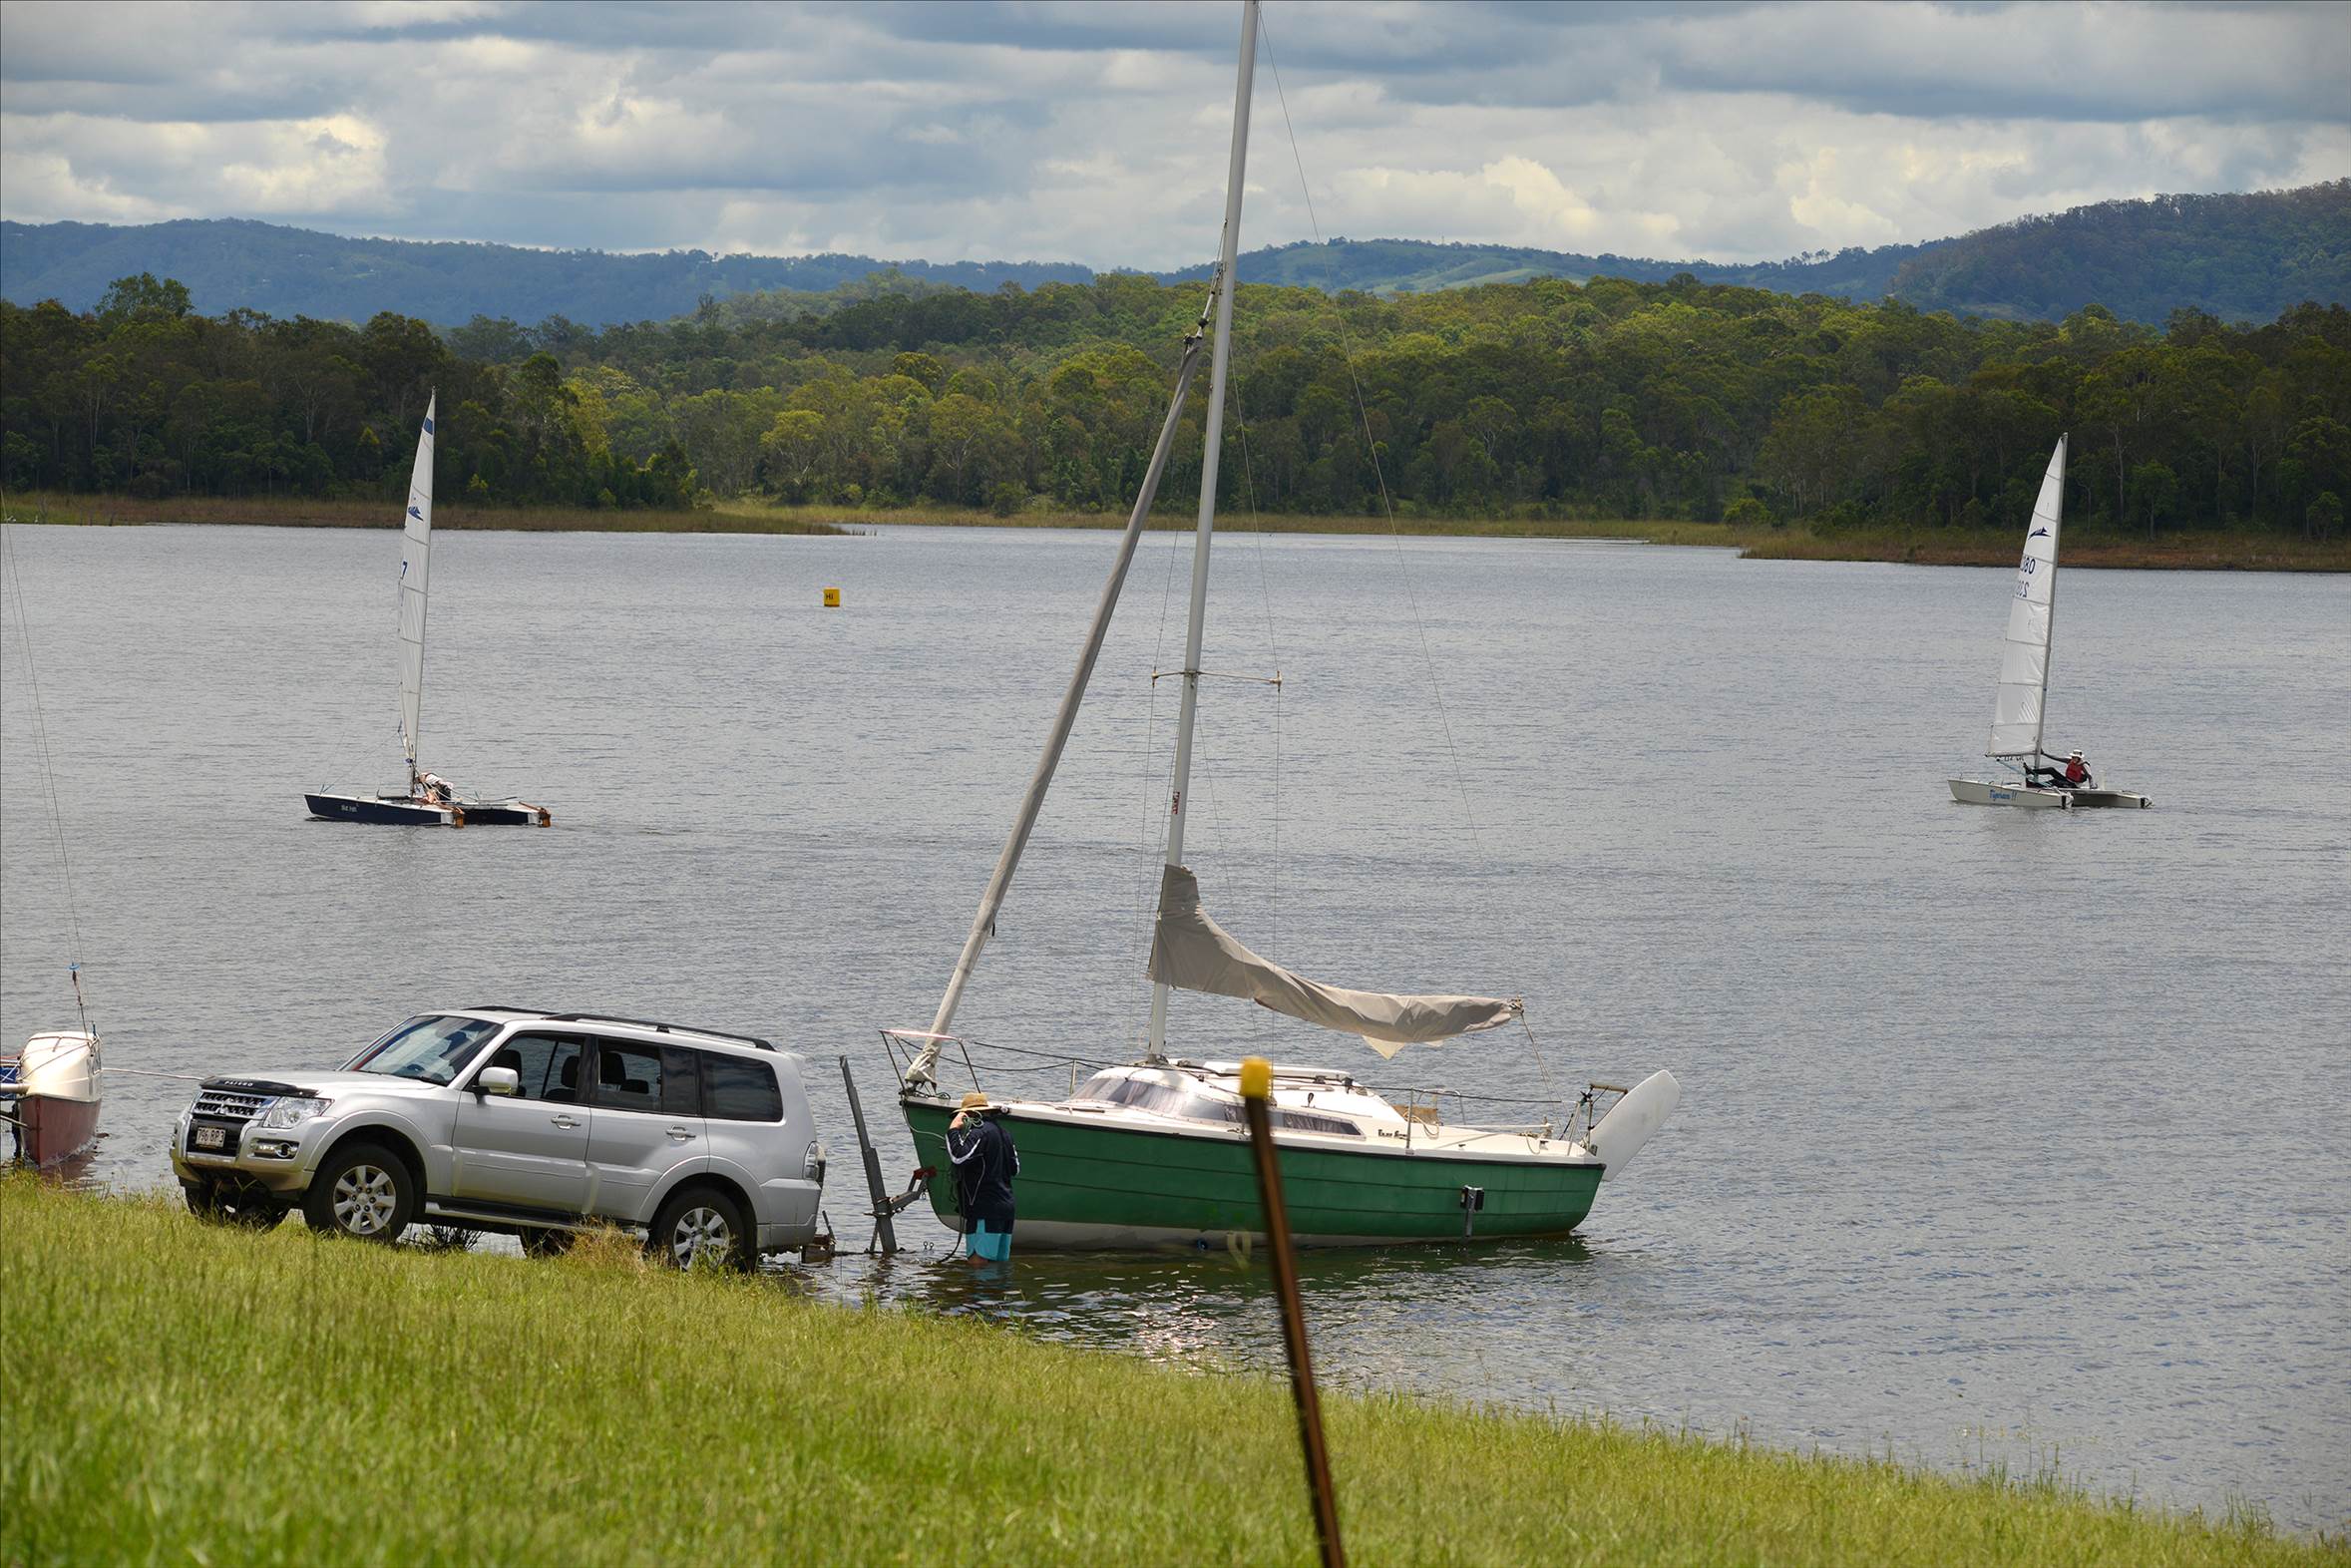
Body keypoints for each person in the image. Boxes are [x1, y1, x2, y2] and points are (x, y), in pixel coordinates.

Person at [945, 1090, 1018, 1264]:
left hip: (985, 1208)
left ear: (970, 1115)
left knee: (978, 1261)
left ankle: (981, 1283)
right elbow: (1015, 1169)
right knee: (998, 1264)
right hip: (1006, 1207)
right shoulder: (1005, 1134)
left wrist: (953, 1130)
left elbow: (958, 1156)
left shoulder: (980, 1132)